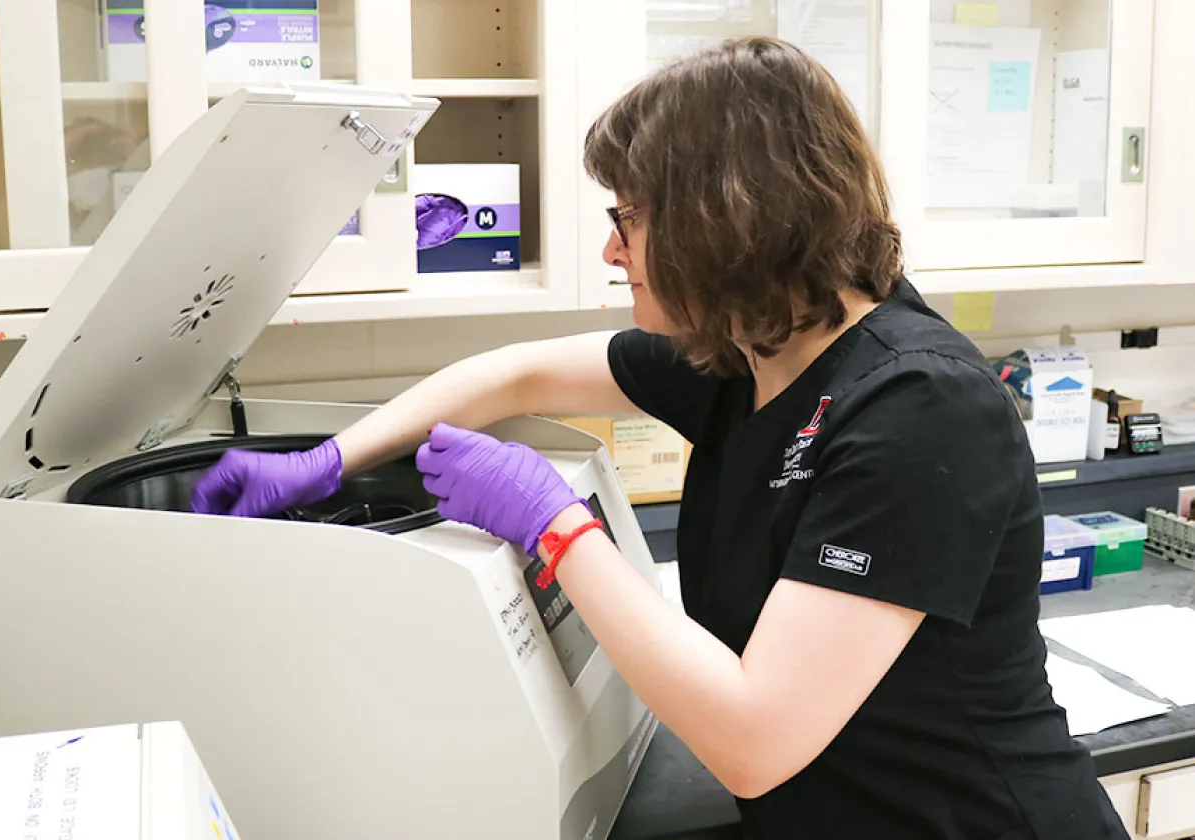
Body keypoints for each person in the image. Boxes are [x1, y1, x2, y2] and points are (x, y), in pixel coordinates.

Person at [190, 36, 1128, 839]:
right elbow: (511, 372)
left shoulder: (924, 407)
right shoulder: (748, 351)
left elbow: (753, 740)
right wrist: (330, 459)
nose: (610, 251)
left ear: (727, 218)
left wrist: (556, 526)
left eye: (627, 220)